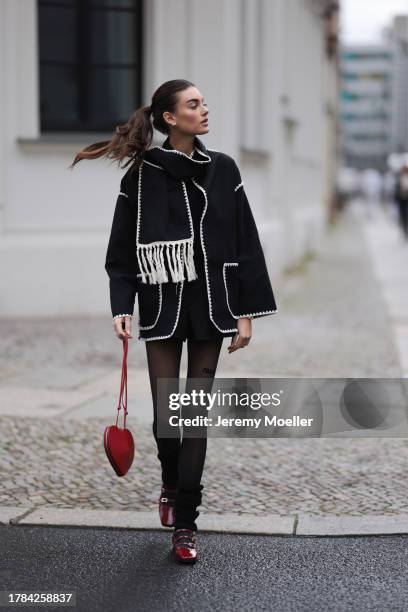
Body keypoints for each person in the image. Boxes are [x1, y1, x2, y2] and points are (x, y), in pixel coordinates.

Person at [69, 79, 278, 564]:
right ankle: (169, 481)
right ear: (169, 117)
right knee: (169, 418)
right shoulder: (141, 176)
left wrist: (245, 312)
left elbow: (245, 240)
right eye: (193, 104)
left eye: (204, 101)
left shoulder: (223, 169)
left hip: (211, 304)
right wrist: (122, 307)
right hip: (161, 304)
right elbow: (120, 253)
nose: (204, 109)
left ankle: (186, 524)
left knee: (194, 418)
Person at [394, 163, 408, 242]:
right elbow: (396, 190)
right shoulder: (399, 179)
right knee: (402, 217)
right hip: (401, 201)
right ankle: (404, 232)